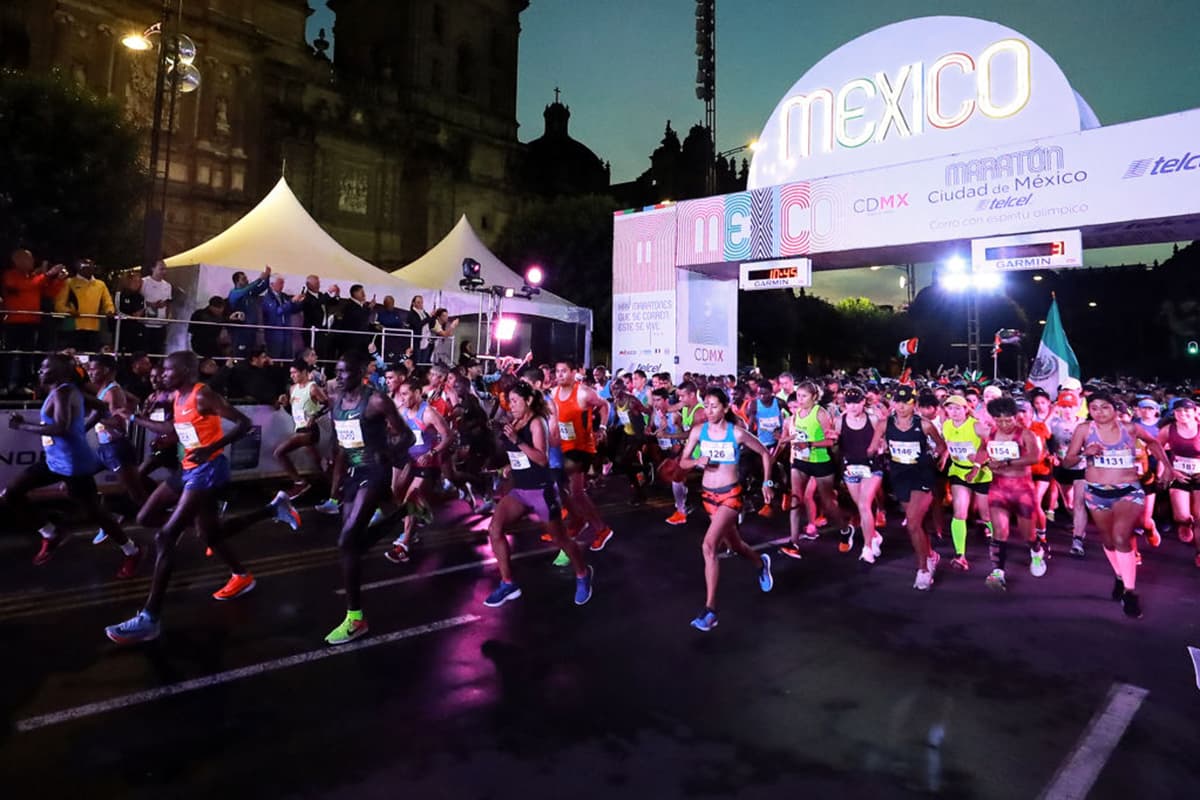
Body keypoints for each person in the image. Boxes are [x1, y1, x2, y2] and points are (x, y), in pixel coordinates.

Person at [105, 351, 302, 644]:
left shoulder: (202, 395)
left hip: (207, 469)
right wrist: (134, 417)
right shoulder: (177, 397)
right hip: (189, 468)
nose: (163, 375)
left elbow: (243, 423)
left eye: (170, 370)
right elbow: (174, 429)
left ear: (185, 371)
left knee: (165, 537)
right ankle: (270, 515)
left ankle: (149, 618)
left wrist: (212, 448)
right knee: (160, 520)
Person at [1, 354, 141, 578]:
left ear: (61, 371)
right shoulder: (65, 390)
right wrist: (82, 428)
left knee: (95, 513)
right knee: (11, 494)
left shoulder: (64, 392)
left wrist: (22, 425)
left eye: (46, 367)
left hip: (73, 465)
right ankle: (51, 533)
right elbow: (100, 406)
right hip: (54, 461)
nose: (40, 370)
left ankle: (132, 551)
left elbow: (60, 428)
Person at [324, 350, 412, 644]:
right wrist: (335, 484)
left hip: (373, 473)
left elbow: (406, 436)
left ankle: (355, 618)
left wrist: (387, 454)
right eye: (336, 372)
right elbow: (340, 446)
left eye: (344, 372)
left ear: (361, 371)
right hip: (351, 475)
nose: (338, 377)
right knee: (354, 544)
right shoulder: (335, 401)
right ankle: (404, 513)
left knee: (346, 542)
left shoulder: (375, 400)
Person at [1064, 390, 1176, 619]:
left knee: (1121, 537)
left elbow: (1153, 442)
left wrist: (1167, 466)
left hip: (1128, 492)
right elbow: (1068, 461)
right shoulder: (1084, 430)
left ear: (1115, 409)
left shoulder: (1130, 429)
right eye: (1094, 408)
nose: (1099, 412)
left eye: (1104, 407)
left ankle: (1130, 592)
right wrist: (1086, 453)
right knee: (1107, 540)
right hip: (1096, 492)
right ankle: (1119, 575)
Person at [484, 381, 594, 607]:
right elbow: (520, 456)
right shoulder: (515, 421)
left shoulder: (537, 423)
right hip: (520, 490)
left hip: (541, 490)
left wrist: (517, 440)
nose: (510, 406)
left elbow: (542, 458)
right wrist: (509, 465)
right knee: (494, 529)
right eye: (509, 401)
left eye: (514, 401)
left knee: (560, 539)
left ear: (529, 401)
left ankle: (583, 574)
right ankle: (508, 583)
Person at [679, 387, 775, 632]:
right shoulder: (699, 432)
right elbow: (683, 461)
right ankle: (761, 564)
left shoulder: (738, 434)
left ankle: (710, 610)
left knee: (708, 545)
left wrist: (767, 482)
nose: (709, 411)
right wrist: (697, 461)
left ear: (725, 407)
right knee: (735, 545)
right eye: (707, 405)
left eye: (714, 406)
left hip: (731, 496)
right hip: (708, 497)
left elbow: (765, 453)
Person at [977, 396, 1047, 591]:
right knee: (999, 532)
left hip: (1022, 490)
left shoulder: (1026, 435)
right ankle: (998, 572)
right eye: (999, 420)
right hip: (998, 488)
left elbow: (1035, 457)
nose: (1004, 424)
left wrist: (1006, 462)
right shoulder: (991, 434)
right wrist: (977, 465)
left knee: (1028, 534)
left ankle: (1036, 550)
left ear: (1015, 417)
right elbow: (983, 450)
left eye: (1008, 420)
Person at [884, 385, 946, 591]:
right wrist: (875, 450)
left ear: (914, 405)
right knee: (916, 524)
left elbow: (940, 445)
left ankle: (923, 570)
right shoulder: (885, 424)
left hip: (921, 475)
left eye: (906, 402)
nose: (901, 406)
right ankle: (930, 555)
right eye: (898, 402)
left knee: (912, 523)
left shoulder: (925, 425)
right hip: (900, 475)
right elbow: (875, 444)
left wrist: (934, 457)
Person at [780, 381, 851, 559]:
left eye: (804, 396)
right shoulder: (796, 413)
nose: (800, 399)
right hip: (800, 460)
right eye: (799, 396)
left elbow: (830, 441)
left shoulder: (820, 413)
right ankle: (793, 542)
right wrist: (785, 439)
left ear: (813, 397)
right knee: (796, 499)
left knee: (828, 502)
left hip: (820, 460)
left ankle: (845, 528)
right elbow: (798, 434)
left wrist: (810, 444)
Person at [384, 378, 453, 563]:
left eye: (406, 394)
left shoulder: (429, 413)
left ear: (416, 393)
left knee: (410, 499)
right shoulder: (402, 411)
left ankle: (404, 546)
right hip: (407, 461)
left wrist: (432, 453)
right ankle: (414, 525)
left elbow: (448, 436)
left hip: (426, 464)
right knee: (395, 491)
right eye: (400, 395)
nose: (403, 398)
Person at [552, 360, 614, 551]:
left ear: (572, 373)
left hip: (581, 448)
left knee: (576, 492)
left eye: (564, 371)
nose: (560, 375)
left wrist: (602, 427)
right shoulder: (554, 393)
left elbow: (604, 406)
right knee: (556, 486)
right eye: (557, 371)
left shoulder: (583, 392)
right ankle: (578, 520)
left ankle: (602, 529)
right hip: (563, 446)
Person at [86, 354, 149, 510]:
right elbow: (134, 399)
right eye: (89, 369)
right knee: (78, 479)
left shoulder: (112, 392)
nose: (90, 373)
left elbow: (119, 423)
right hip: (106, 447)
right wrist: (129, 409)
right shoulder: (109, 388)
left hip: (117, 447)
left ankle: (164, 522)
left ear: (106, 370)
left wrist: (96, 417)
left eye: (94, 369)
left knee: (137, 494)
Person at [1, 251, 67, 394]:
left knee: (27, 355)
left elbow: (48, 293)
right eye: (28, 259)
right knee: (8, 355)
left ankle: (23, 385)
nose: (31, 262)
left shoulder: (33, 277)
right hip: (13, 322)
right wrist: (47, 275)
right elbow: (25, 286)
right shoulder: (10, 275)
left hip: (31, 322)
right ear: (17, 260)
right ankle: (3, 385)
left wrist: (58, 280)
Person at [940, 395, 993, 571]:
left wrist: (977, 465)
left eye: (957, 408)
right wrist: (944, 457)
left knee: (985, 514)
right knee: (959, 512)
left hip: (981, 474)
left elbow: (989, 446)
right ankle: (960, 554)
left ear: (965, 409)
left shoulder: (976, 425)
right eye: (950, 408)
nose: (953, 412)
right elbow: (951, 445)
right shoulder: (946, 425)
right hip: (959, 471)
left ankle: (997, 538)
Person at [837, 386, 887, 563]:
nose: (852, 407)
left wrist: (881, 446)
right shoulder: (839, 420)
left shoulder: (873, 418)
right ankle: (874, 535)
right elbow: (835, 442)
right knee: (861, 506)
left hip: (872, 468)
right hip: (851, 468)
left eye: (856, 403)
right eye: (849, 403)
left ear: (863, 402)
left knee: (865, 504)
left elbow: (884, 439)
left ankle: (867, 548)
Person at [275, 358, 328, 498]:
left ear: (304, 372)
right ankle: (336, 489)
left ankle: (300, 483)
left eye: (295, 373)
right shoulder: (292, 389)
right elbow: (292, 412)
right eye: (291, 373)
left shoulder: (313, 387)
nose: (292, 376)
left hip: (310, 430)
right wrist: (285, 404)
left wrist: (314, 415)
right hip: (299, 428)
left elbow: (327, 404)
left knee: (279, 453)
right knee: (319, 462)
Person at [1159, 398, 1200, 564]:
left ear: (1195, 412)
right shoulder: (1168, 430)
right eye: (1178, 411)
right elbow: (1156, 448)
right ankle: (1186, 524)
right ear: (1174, 413)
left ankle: (1199, 553)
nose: (1183, 414)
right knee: (1182, 516)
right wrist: (1169, 469)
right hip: (1179, 475)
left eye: (1186, 410)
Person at [56, 258, 114, 353]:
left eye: (91, 266)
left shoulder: (100, 284)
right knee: (74, 357)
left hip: (94, 327)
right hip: (73, 327)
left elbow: (108, 302)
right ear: (78, 267)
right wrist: (68, 311)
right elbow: (59, 305)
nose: (88, 269)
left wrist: (110, 311)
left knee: (91, 356)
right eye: (84, 266)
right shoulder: (69, 282)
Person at [226, 267, 270, 358]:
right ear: (237, 281)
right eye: (243, 279)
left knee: (251, 355)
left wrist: (267, 276)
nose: (247, 280)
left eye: (246, 278)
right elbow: (245, 290)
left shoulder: (249, 293)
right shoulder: (234, 293)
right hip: (240, 331)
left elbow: (263, 287)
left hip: (252, 329)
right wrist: (260, 279)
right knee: (241, 355)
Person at [261, 274, 303, 359]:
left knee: (287, 359)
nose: (282, 286)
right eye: (280, 283)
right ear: (272, 284)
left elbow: (292, 310)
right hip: (274, 334)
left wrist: (298, 302)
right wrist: (292, 301)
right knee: (275, 359)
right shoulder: (267, 298)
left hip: (286, 332)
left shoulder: (284, 296)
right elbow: (277, 311)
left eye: (283, 283)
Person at [140, 260, 173, 356]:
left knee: (158, 352)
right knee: (144, 351)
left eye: (165, 269)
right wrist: (151, 304)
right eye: (161, 269)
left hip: (160, 324)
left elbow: (169, 302)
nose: (164, 272)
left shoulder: (167, 285)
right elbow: (139, 300)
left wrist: (169, 315)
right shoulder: (144, 282)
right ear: (153, 269)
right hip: (145, 324)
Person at [335, 284, 375, 355]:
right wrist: (369, 308)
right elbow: (358, 317)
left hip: (361, 341)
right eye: (361, 292)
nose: (364, 295)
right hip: (352, 341)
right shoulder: (350, 305)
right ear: (355, 293)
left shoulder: (362, 306)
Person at [114, 271, 146, 354]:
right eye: (134, 281)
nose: (137, 284)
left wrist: (141, 314)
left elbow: (143, 312)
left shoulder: (140, 297)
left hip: (137, 332)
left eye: (139, 282)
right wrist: (131, 316)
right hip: (122, 331)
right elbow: (117, 311)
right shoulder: (119, 295)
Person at [407, 295, 431, 364]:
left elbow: (430, 323)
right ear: (413, 303)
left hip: (426, 340)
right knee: (417, 362)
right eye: (418, 302)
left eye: (421, 302)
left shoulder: (424, 313)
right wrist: (427, 319)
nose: (420, 304)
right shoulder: (411, 314)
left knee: (424, 362)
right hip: (417, 341)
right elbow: (417, 325)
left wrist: (432, 317)